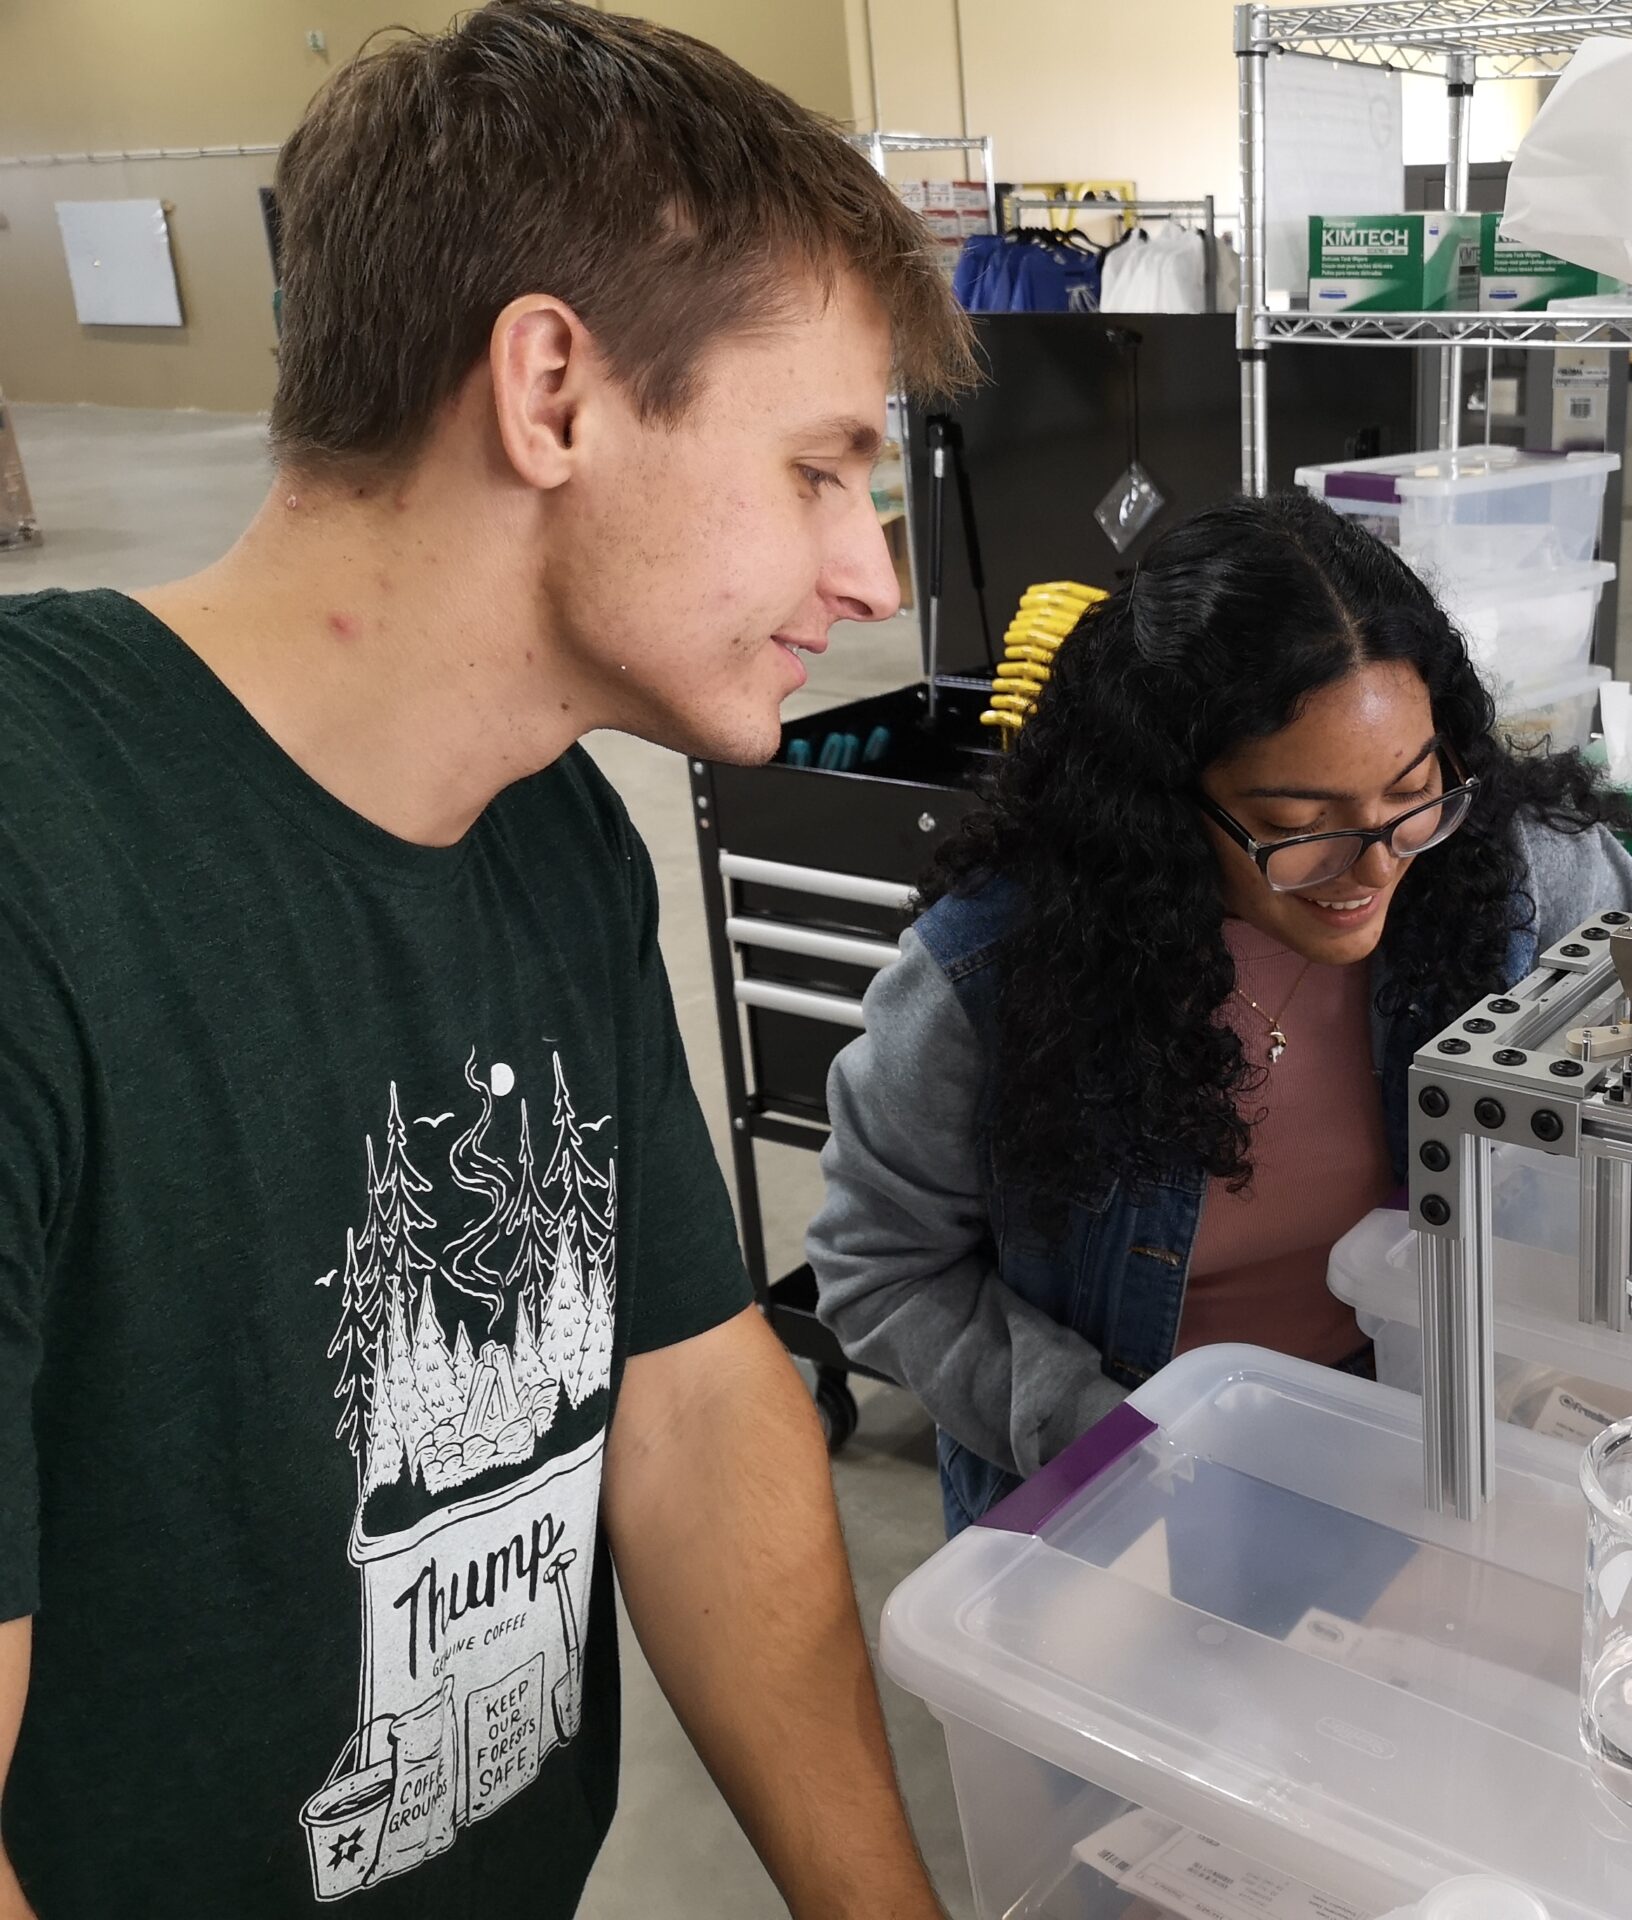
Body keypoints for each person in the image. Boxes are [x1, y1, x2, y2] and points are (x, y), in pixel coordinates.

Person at [0, 4, 972, 1912]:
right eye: (816, 468)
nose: (869, 576)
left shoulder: (551, 829)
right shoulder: (39, 859)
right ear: (552, 392)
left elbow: (692, 1400)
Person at [809, 494, 1632, 1531]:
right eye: (1294, 825)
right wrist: (1131, 1449)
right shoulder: (991, 974)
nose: (1373, 864)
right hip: (1140, 1475)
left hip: (1423, 1444)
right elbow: (880, 1268)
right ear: (1164, 802)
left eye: (1413, 790)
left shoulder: (1518, 873)